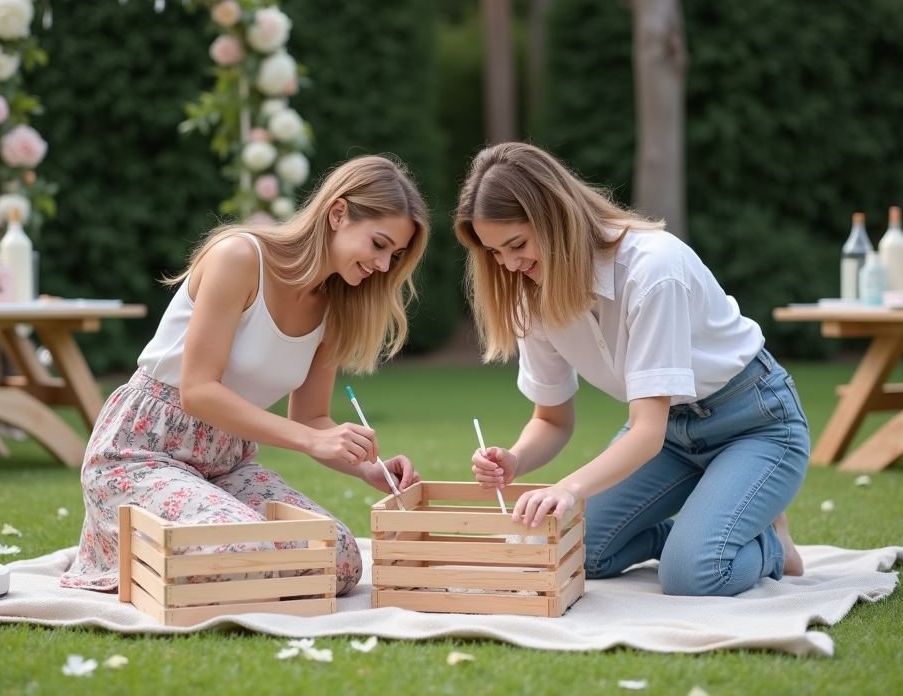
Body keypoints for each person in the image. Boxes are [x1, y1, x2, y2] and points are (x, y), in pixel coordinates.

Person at [62, 155, 428, 594]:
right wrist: (311, 439)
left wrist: (367, 467)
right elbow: (197, 392)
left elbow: (311, 419)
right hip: (141, 453)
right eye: (379, 244)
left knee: (340, 559)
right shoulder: (240, 258)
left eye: (395, 255)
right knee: (244, 546)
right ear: (338, 213)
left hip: (224, 465)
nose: (384, 266)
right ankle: (139, 550)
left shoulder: (337, 304)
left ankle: (188, 552)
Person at [459, 142, 808, 597]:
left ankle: (772, 544)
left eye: (517, 245)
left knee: (692, 576)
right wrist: (516, 460)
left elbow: (645, 431)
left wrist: (568, 488)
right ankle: (692, 538)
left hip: (754, 423)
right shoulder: (528, 293)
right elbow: (551, 419)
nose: (508, 264)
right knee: (576, 553)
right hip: (670, 437)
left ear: (555, 217)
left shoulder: (652, 269)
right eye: (494, 253)